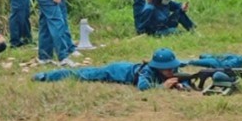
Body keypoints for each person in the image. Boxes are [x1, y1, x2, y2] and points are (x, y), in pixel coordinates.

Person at [33, 48, 192, 91]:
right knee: (83, 74)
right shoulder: (147, 72)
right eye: (168, 69)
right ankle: (45, 76)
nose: (171, 71)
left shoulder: (170, 70)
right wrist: (162, 87)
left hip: (122, 67)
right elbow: (143, 87)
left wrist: (180, 85)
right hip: (115, 71)